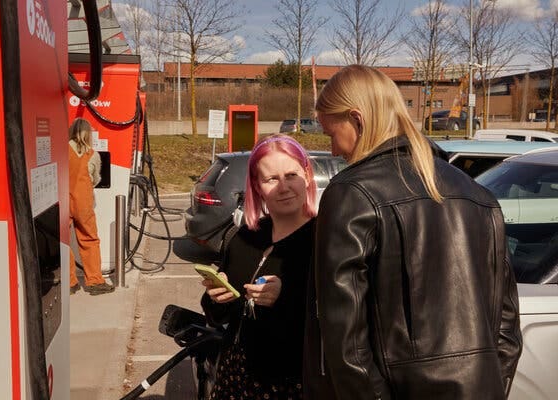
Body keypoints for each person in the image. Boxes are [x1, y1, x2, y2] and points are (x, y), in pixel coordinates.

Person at [304, 65, 522, 400]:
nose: (333, 150)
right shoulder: (481, 196)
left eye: (332, 135)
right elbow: (507, 332)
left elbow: (345, 342)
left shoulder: (352, 192)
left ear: (358, 120)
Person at [201, 134, 317, 399]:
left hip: (290, 383)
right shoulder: (243, 237)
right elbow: (218, 317)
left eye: (291, 175)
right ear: (256, 185)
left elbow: (336, 321)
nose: (283, 187)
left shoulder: (325, 240)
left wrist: (285, 298)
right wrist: (217, 298)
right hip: (233, 374)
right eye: (271, 179)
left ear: (307, 176)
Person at [69, 117, 114, 295]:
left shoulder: (62, 149)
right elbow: (95, 179)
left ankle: (70, 283)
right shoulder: (92, 154)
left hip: (63, 200)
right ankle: (95, 282)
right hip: (83, 202)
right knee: (89, 239)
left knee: (63, 243)